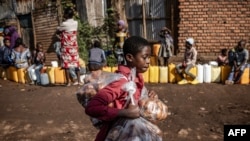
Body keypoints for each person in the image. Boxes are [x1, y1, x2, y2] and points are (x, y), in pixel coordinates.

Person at [85, 36, 160, 141]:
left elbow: (132, 99)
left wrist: (148, 96)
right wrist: (124, 113)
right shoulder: (121, 82)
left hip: (130, 132)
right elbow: (91, 108)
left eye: (149, 57)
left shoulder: (136, 77)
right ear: (130, 58)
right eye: (144, 57)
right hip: (117, 134)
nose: (148, 61)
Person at [57, 7, 80, 86]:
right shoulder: (76, 23)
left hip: (66, 47)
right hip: (74, 46)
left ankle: (68, 82)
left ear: (66, 15)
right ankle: (79, 81)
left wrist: (61, 35)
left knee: (66, 65)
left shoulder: (64, 24)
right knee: (76, 63)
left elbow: (58, 30)